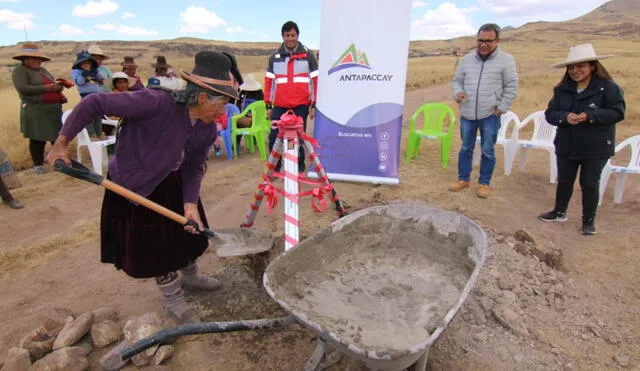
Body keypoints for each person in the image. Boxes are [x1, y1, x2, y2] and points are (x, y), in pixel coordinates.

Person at [46, 51, 239, 324]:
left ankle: (191, 277)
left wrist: (190, 204)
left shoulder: (206, 129)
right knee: (157, 248)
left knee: (187, 232)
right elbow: (94, 103)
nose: (223, 113)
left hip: (172, 181)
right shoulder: (155, 102)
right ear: (203, 97)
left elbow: (193, 166)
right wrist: (62, 142)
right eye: (222, 105)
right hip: (135, 186)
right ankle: (174, 300)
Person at [537, 44, 625, 235]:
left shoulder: (608, 88)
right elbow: (550, 113)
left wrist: (590, 116)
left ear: (592, 65)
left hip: (596, 146)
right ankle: (559, 212)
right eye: (571, 67)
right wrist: (564, 117)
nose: (575, 71)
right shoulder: (562, 90)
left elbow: (617, 113)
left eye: (580, 66)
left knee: (589, 182)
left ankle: (588, 221)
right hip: (567, 143)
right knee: (565, 180)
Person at [450, 23, 518, 198]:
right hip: (467, 113)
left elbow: (511, 86)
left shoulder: (506, 60)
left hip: (490, 115)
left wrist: (501, 108)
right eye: (480, 40)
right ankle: (463, 179)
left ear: (497, 41)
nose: (483, 44)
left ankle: (484, 184)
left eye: (488, 40)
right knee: (466, 148)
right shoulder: (466, 60)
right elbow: (457, 81)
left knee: (488, 150)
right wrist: (458, 92)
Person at [264, 20, 318, 173]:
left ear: (298, 36)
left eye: (293, 35)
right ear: (283, 36)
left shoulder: (308, 56)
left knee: (298, 138)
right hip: (279, 106)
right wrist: (268, 105)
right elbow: (269, 83)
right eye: (287, 35)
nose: (290, 38)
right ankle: (275, 169)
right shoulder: (274, 57)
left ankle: (298, 168)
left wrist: (314, 104)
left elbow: (316, 82)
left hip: (301, 105)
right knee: (274, 137)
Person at [11, 43, 68, 175]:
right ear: (25, 59)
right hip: (36, 109)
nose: (38, 61)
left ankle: (59, 161)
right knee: (37, 138)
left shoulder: (42, 70)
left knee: (57, 136)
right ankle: (38, 165)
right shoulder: (19, 71)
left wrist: (58, 87)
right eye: (33, 58)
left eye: (39, 59)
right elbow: (22, 88)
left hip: (53, 109)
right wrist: (46, 89)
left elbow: (53, 83)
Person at [71, 50, 106, 140]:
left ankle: (99, 133)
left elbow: (102, 79)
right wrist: (85, 72)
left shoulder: (94, 71)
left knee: (98, 116)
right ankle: (91, 135)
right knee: (89, 117)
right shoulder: (76, 72)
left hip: (97, 95)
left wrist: (95, 71)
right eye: (83, 62)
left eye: (88, 62)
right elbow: (80, 82)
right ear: (79, 63)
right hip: (86, 96)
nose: (86, 64)